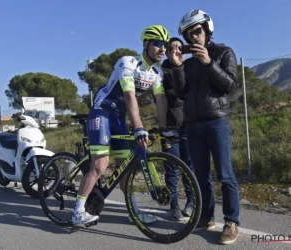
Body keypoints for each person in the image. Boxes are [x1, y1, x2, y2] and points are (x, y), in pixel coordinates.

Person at [72, 25, 170, 225]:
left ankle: (133, 212)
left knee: (124, 169)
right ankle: (78, 212)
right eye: (158, 44)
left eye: (165, 45)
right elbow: (129, 95)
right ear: (145, 44)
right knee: (100, 165)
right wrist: (139, 127)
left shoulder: (157, 73)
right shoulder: (128, 62)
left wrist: (163, 129)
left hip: (118, 118)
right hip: (102, 112)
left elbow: (160, 101)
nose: (163, 49)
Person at [168, 9, 240, 245]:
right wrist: (177, 67)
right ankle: (206, 217)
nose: (193, 37)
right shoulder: (188, 64)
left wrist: (209, 63)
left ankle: (231, 221)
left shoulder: (223, 52)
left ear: (207, 30)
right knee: (201, 175)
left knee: (225, 175)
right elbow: (181, 92)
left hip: (217, 121)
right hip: (192, 124)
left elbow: (229, 85)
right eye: (189, 34)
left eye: (197, 31)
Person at [159, 37, 195, 220]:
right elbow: (165, 97)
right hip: (170, 127)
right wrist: (162, 127)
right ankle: (173, 205)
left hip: (188, 125)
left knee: (190, 167)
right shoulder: (161, 70)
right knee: (172, 169)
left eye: (178, 47)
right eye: (171, 48)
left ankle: (191, 202)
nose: (175, 50)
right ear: (165, 51)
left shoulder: (188, 67)